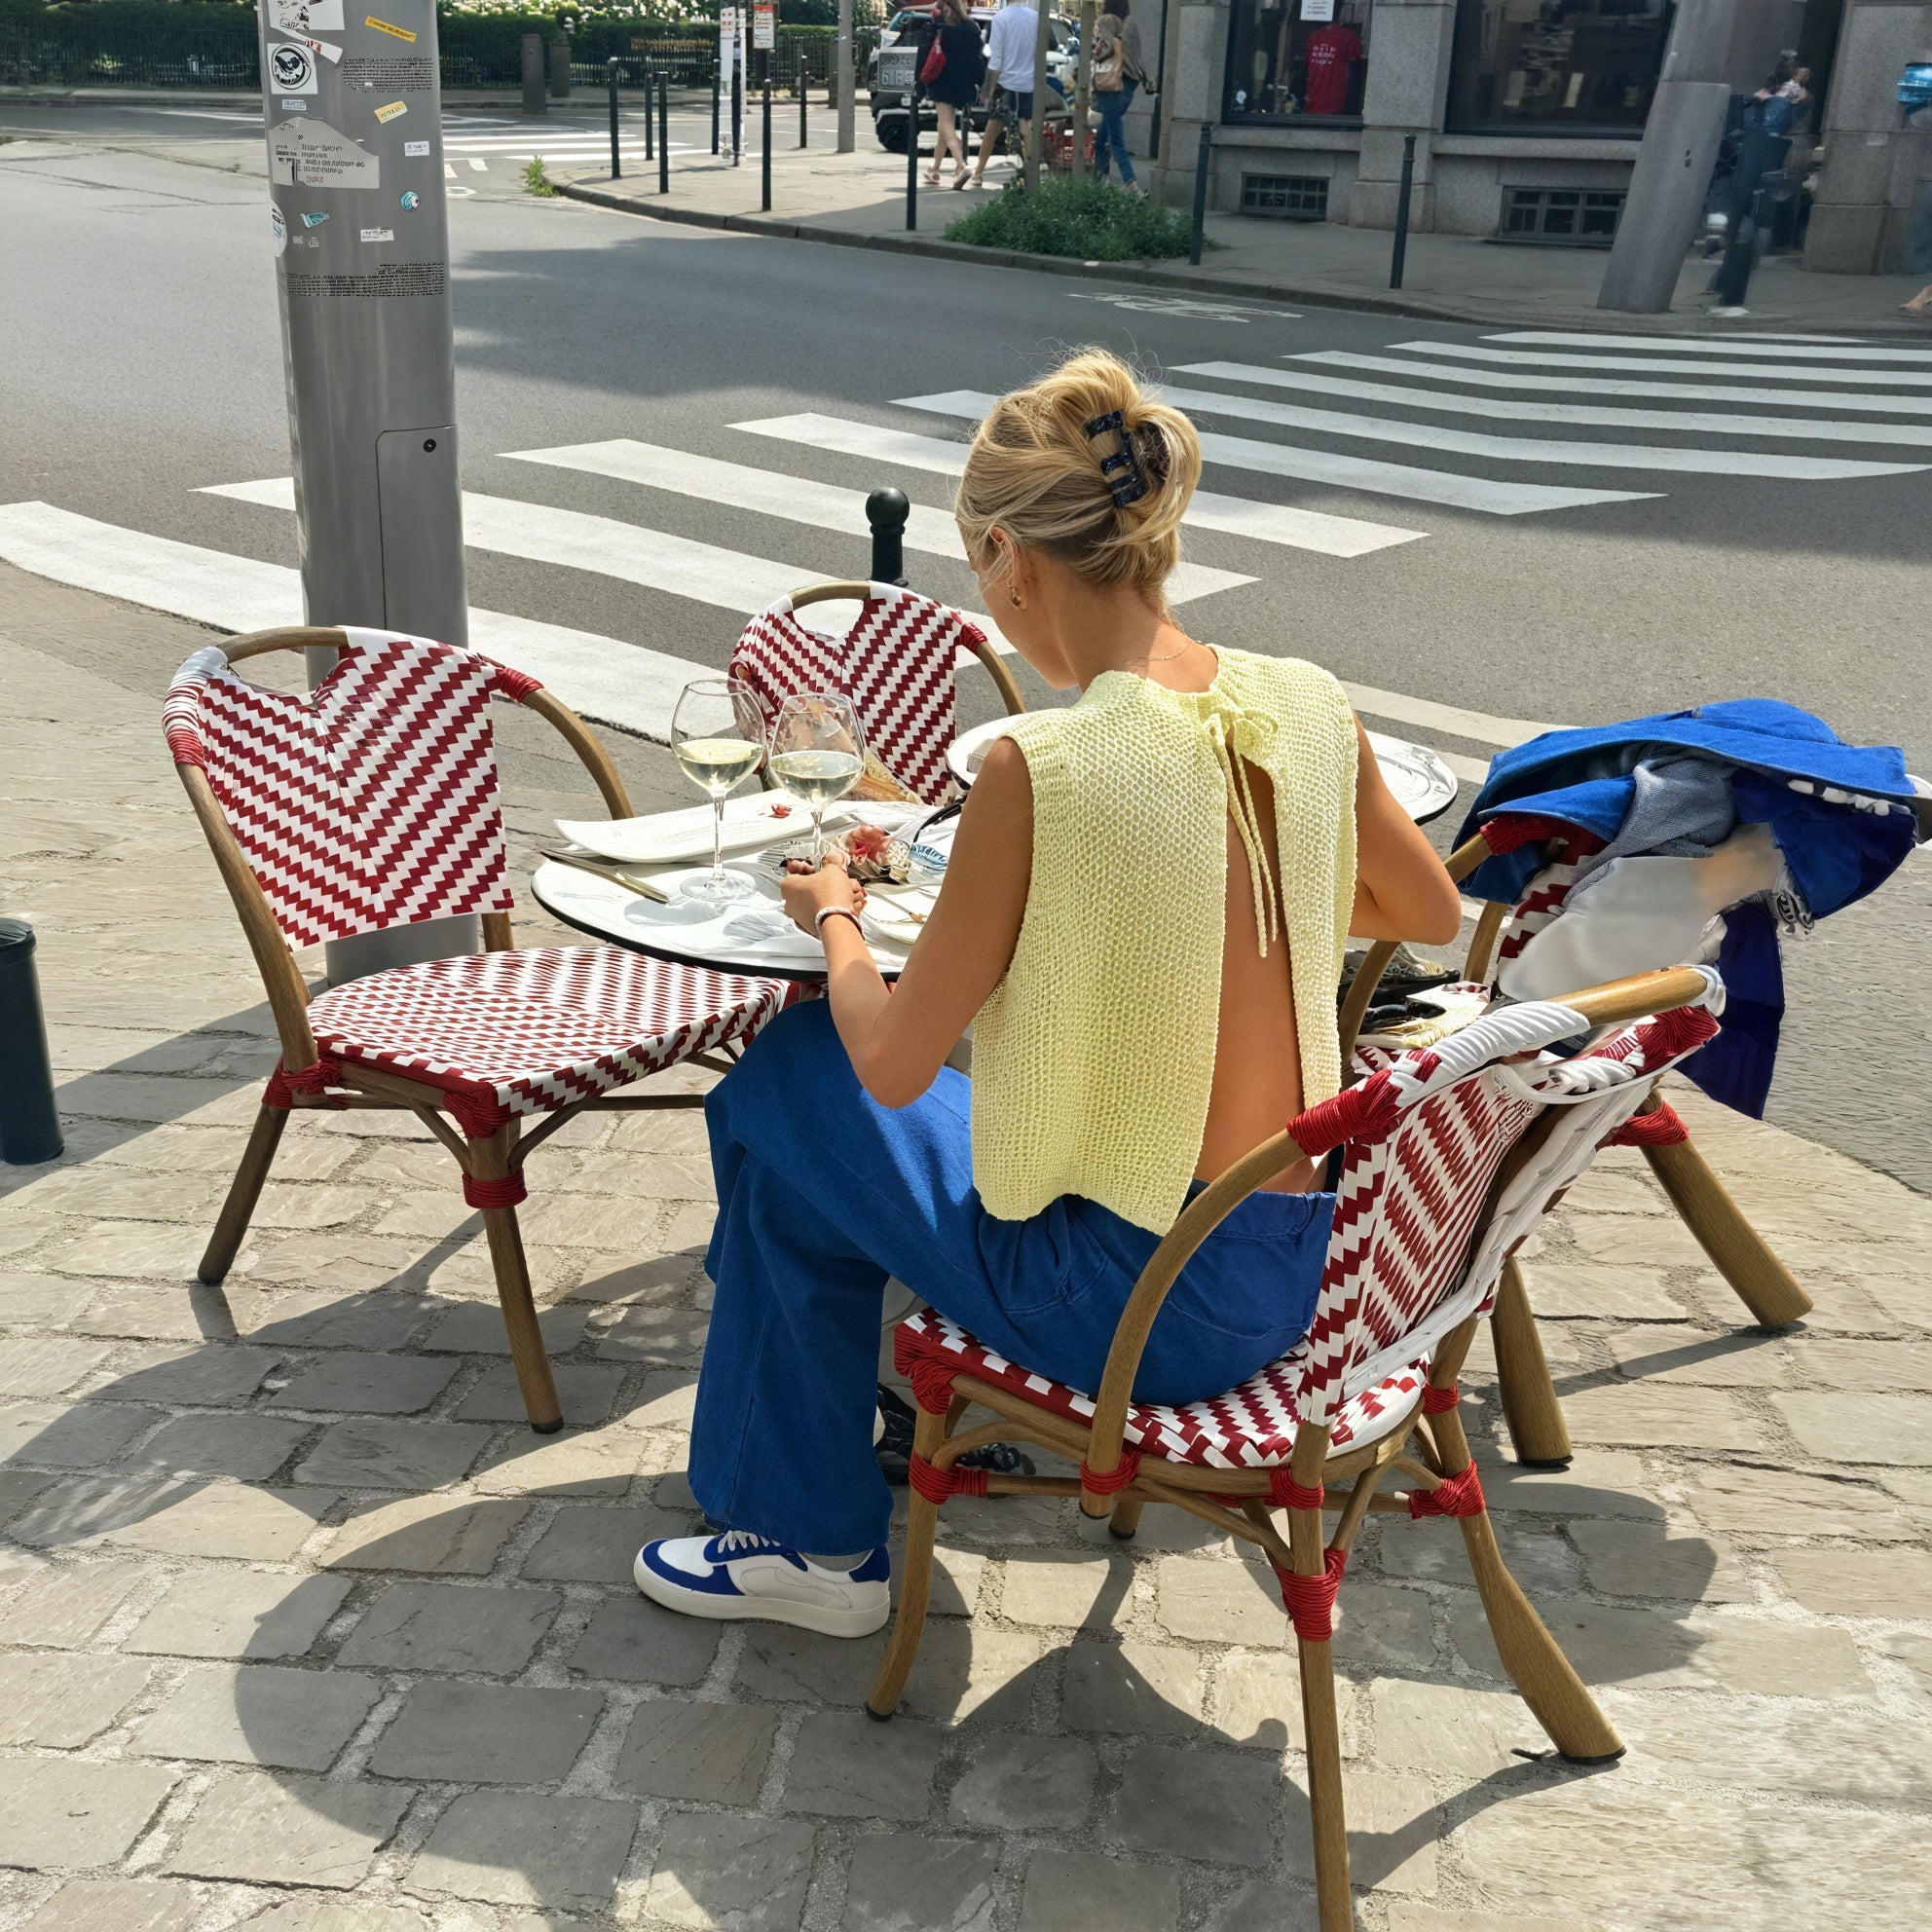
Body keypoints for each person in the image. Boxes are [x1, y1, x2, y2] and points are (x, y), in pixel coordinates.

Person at [632, 351, 1463, 1638]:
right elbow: (1429, 913)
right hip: (1292, 1268)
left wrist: (834, 912)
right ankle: (807, 1497)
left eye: (978, 570)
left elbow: (893, 1064)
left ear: (1011, 558)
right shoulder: (1306, 703)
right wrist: (1211, 905)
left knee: (792, 1074)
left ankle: (806, 1533)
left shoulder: (1046, 768)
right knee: (800, 1166)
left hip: (1131, 1310)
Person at [971, 0, 1039, 188]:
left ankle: (978, 173)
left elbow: (996, 59)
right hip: (1030, 82)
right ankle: (1033, 171)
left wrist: (988, 90)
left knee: (991, 131)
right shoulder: (1036, 18)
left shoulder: (1000, 18)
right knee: (1027, 127)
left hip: (1007, 83)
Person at [918, 0, 985, 190]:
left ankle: (961, 165)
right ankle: (934, 168)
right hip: (964, 82)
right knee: (943, 125)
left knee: (946, 123)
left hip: (942, 80)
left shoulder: (940, 26)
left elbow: (926, 51)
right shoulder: (971, 26)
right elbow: (978, 56)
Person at [1092, 4, 1147, 193]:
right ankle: (1101, 180)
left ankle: (1131, 184)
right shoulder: (1131, 24)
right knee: (1103, 137)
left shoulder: (1115, 24)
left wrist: (1097, 52)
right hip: (1127, 85)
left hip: (1114, 85)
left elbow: (1108, 49)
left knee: (1115, 140)